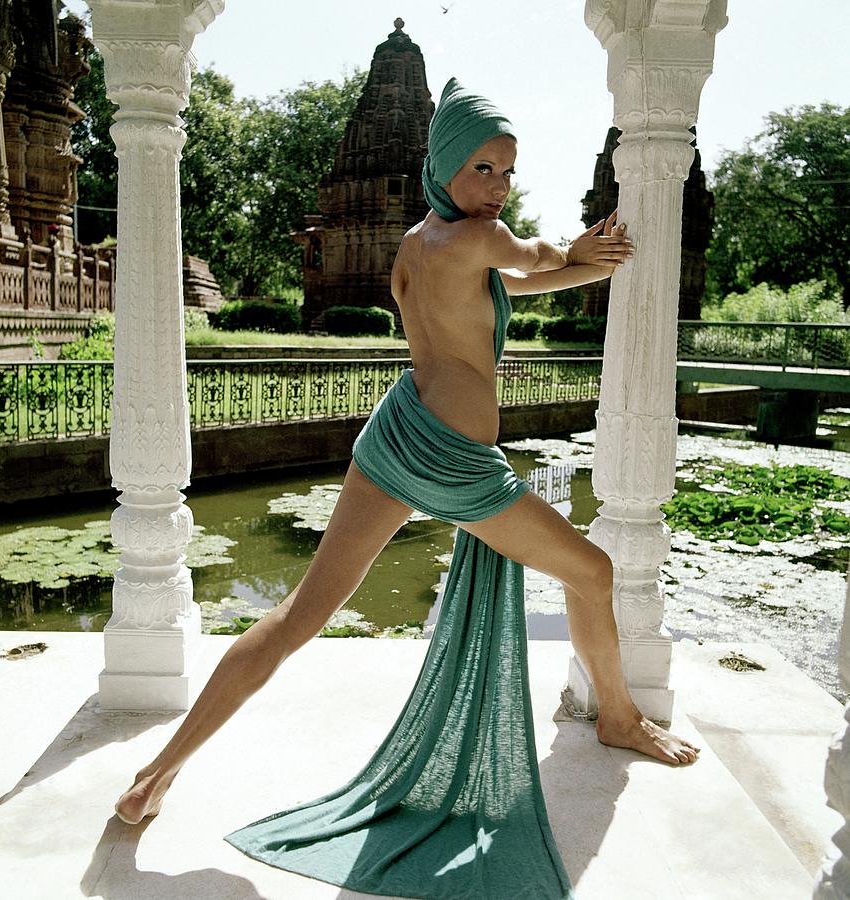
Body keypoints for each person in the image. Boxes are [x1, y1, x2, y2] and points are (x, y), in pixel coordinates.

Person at [115, 78, 699, 898]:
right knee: (594, 572)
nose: (497, 187)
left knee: (297, 617)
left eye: (506, 172)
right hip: (455, 462)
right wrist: (581, 252)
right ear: (444, 166)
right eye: (483, 169)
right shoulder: (479, 239)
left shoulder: (422, 243)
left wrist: (577, 269)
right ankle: (617, 715)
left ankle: (157, 772)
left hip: (395, 434)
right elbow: (531, 260)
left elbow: (511, 286)